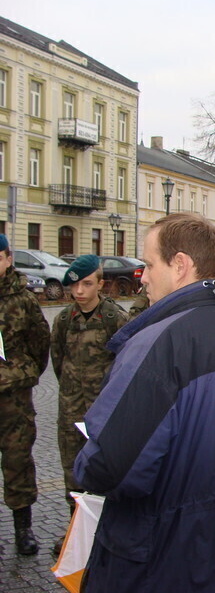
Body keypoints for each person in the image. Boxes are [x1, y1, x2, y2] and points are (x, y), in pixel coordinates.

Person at [73, 214, 215, 593]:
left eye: (150, 264)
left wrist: (85, 458)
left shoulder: (155, 344)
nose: (143, 276)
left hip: (158, 560)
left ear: (180, 265)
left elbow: (109, 468)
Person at [50, 255, 128, 554]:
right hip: (70, 410)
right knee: (72, 473)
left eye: (86, 284)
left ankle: (105, 534)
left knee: (105, 473)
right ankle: (75, 534)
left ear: (100, 284)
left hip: (103, 414)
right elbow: (58, 361)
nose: (79, 291)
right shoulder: (62, 320)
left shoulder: (114, 319)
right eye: (74, 285)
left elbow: (125, 365)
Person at [0, 234, 50, 555]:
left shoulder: (24, 301)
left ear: (6, 259)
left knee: (18, 461)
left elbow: (40, 344)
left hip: (13, 399)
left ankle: (23, 529)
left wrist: (23, 373)